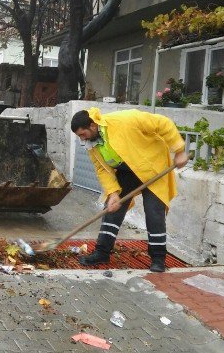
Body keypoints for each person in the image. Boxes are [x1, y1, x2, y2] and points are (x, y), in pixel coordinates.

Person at [71, 108, 188, 272]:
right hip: (128, 171)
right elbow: (102, 170)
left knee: (154, 212)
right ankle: (102, 252)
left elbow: (164, 123)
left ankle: (158, 258)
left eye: (83, 134)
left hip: (153, 167)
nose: (82, 139)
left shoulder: (126, 119)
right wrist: (112, 193)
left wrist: (179, 150)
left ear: (92, 125)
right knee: (111, 209)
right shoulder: (92, 144)